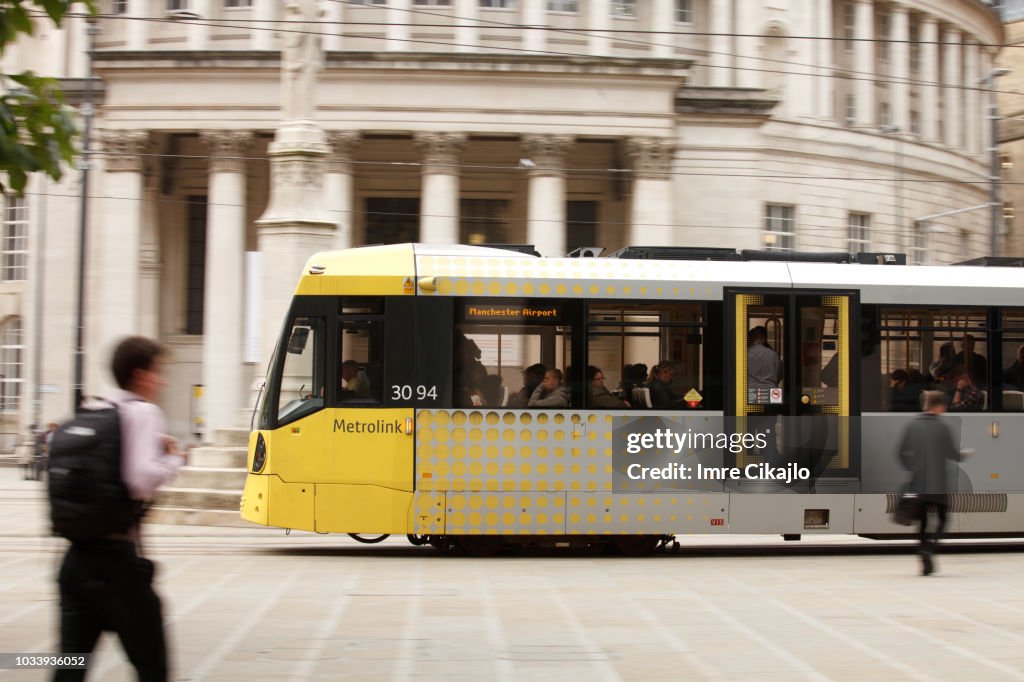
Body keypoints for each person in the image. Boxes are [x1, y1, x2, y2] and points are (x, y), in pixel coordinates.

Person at [55, 336, 186, 682]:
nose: (162, 380)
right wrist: (173, 460)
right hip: (117, 565)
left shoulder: (94, 410)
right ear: (141, 375)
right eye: (158, 372)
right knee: (152, 667)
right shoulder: (143, 413)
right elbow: (140, 479)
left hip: (74, 562)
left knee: (70, 666)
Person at [897, 390, 970, 575]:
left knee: (922, 521)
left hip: (919, 482)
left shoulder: (911, 425)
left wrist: (911, 468)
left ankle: (922, 552)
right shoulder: (943, 427)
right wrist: (963, 455)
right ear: (939, 406)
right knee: (943, 518)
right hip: (938, 483)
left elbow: (901, 451)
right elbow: (952, 454)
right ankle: (929, 548)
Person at [748, 326, 783, 460]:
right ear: (763, 338)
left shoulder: (746, 353)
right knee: (767, 433)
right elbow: (779, 374)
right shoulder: (773, 354)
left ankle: (746, 464)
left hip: (750, 395)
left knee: (748, 433)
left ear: (751, 338)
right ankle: (770, 464)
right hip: (771, 395)